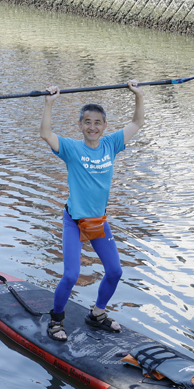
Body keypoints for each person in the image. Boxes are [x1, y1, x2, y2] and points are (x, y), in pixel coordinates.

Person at [39, 84, 144, 341]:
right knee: (71, 275)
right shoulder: (72, 149)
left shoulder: (111, 144)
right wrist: (49, 102)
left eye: (97, 122)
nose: (92, 127)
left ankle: (97, 314)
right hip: (74, 221)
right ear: (80, 125)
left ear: (104, 126)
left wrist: (138, 95)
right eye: (87, 122)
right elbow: (45, 133)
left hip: (98, 222)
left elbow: (137, 122)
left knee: (115, 271)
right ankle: (56, 320)